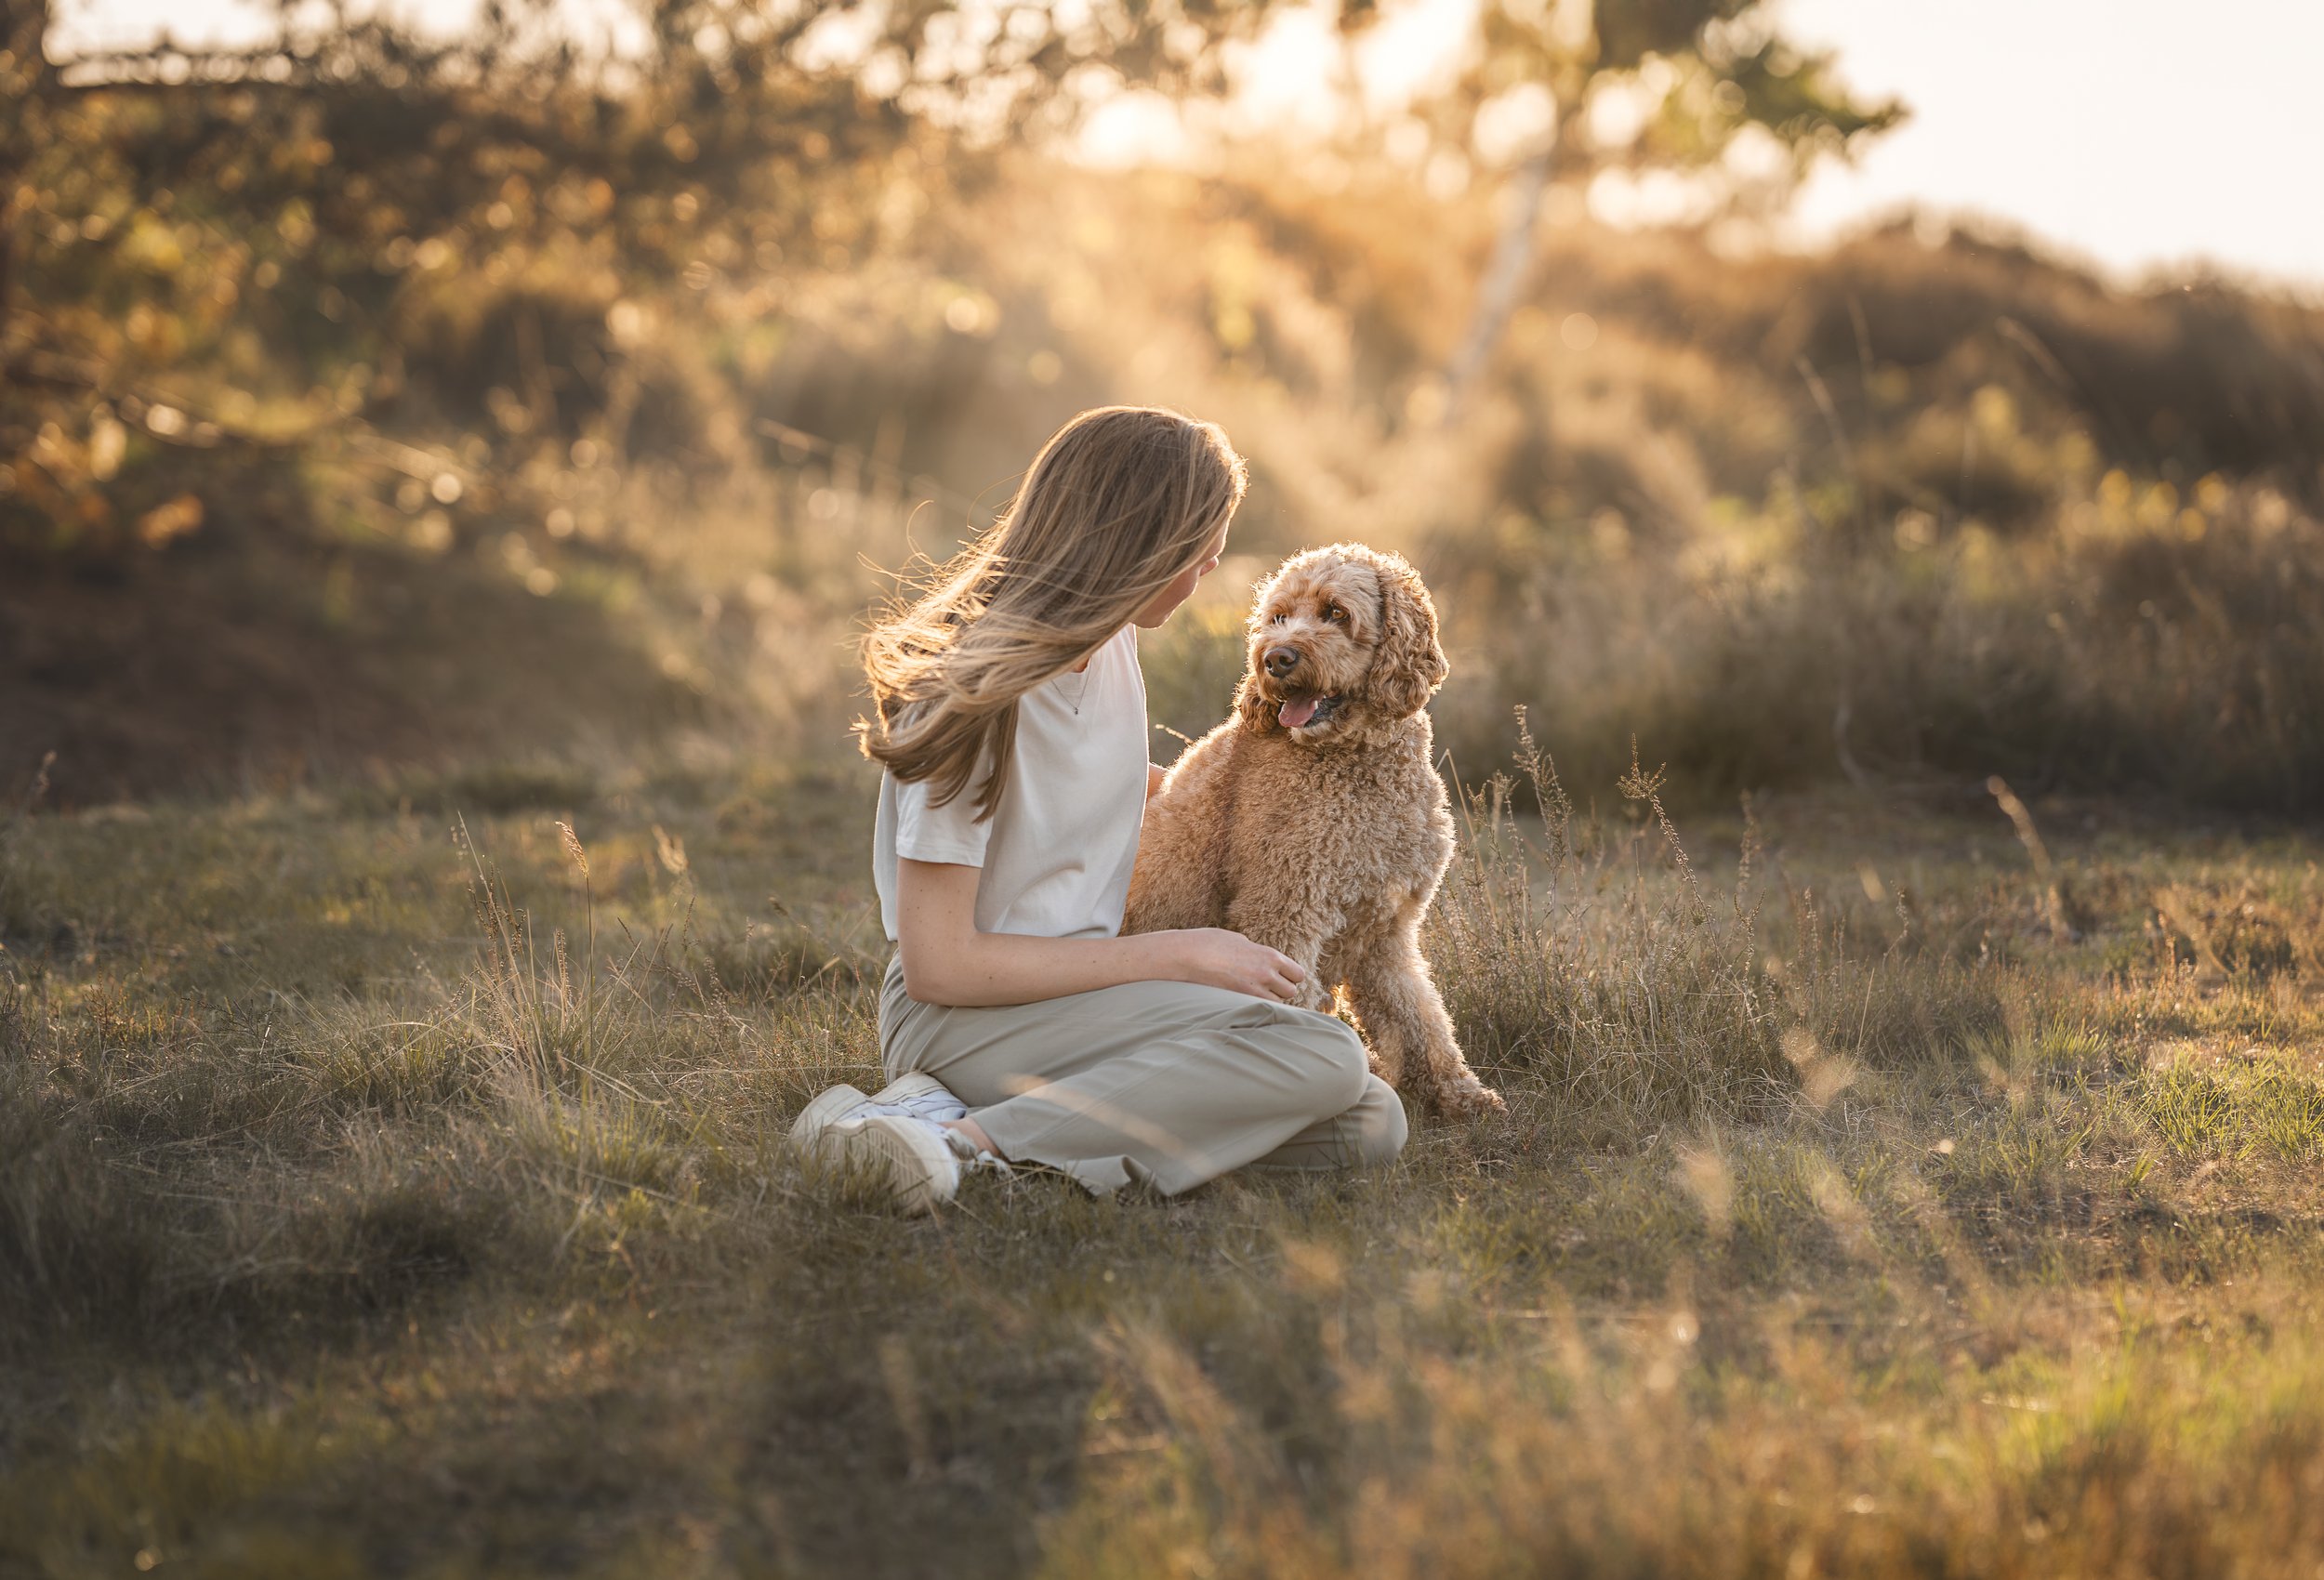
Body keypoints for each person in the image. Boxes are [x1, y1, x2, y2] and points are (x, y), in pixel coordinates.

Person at [789, 404, 1408, 1212]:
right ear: (1143, 541)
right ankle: (961, 1143)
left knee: (1368, 1120)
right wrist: (1178, 954)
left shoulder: (1111, 638)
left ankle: (940, 1122)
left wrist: (1220, 800)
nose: (1214, 563)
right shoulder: (972, 691)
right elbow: (942, 964)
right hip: (963, 1015)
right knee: (1323, 1058)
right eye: (1202, 543)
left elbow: (1076, 783)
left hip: (1084, 1002)